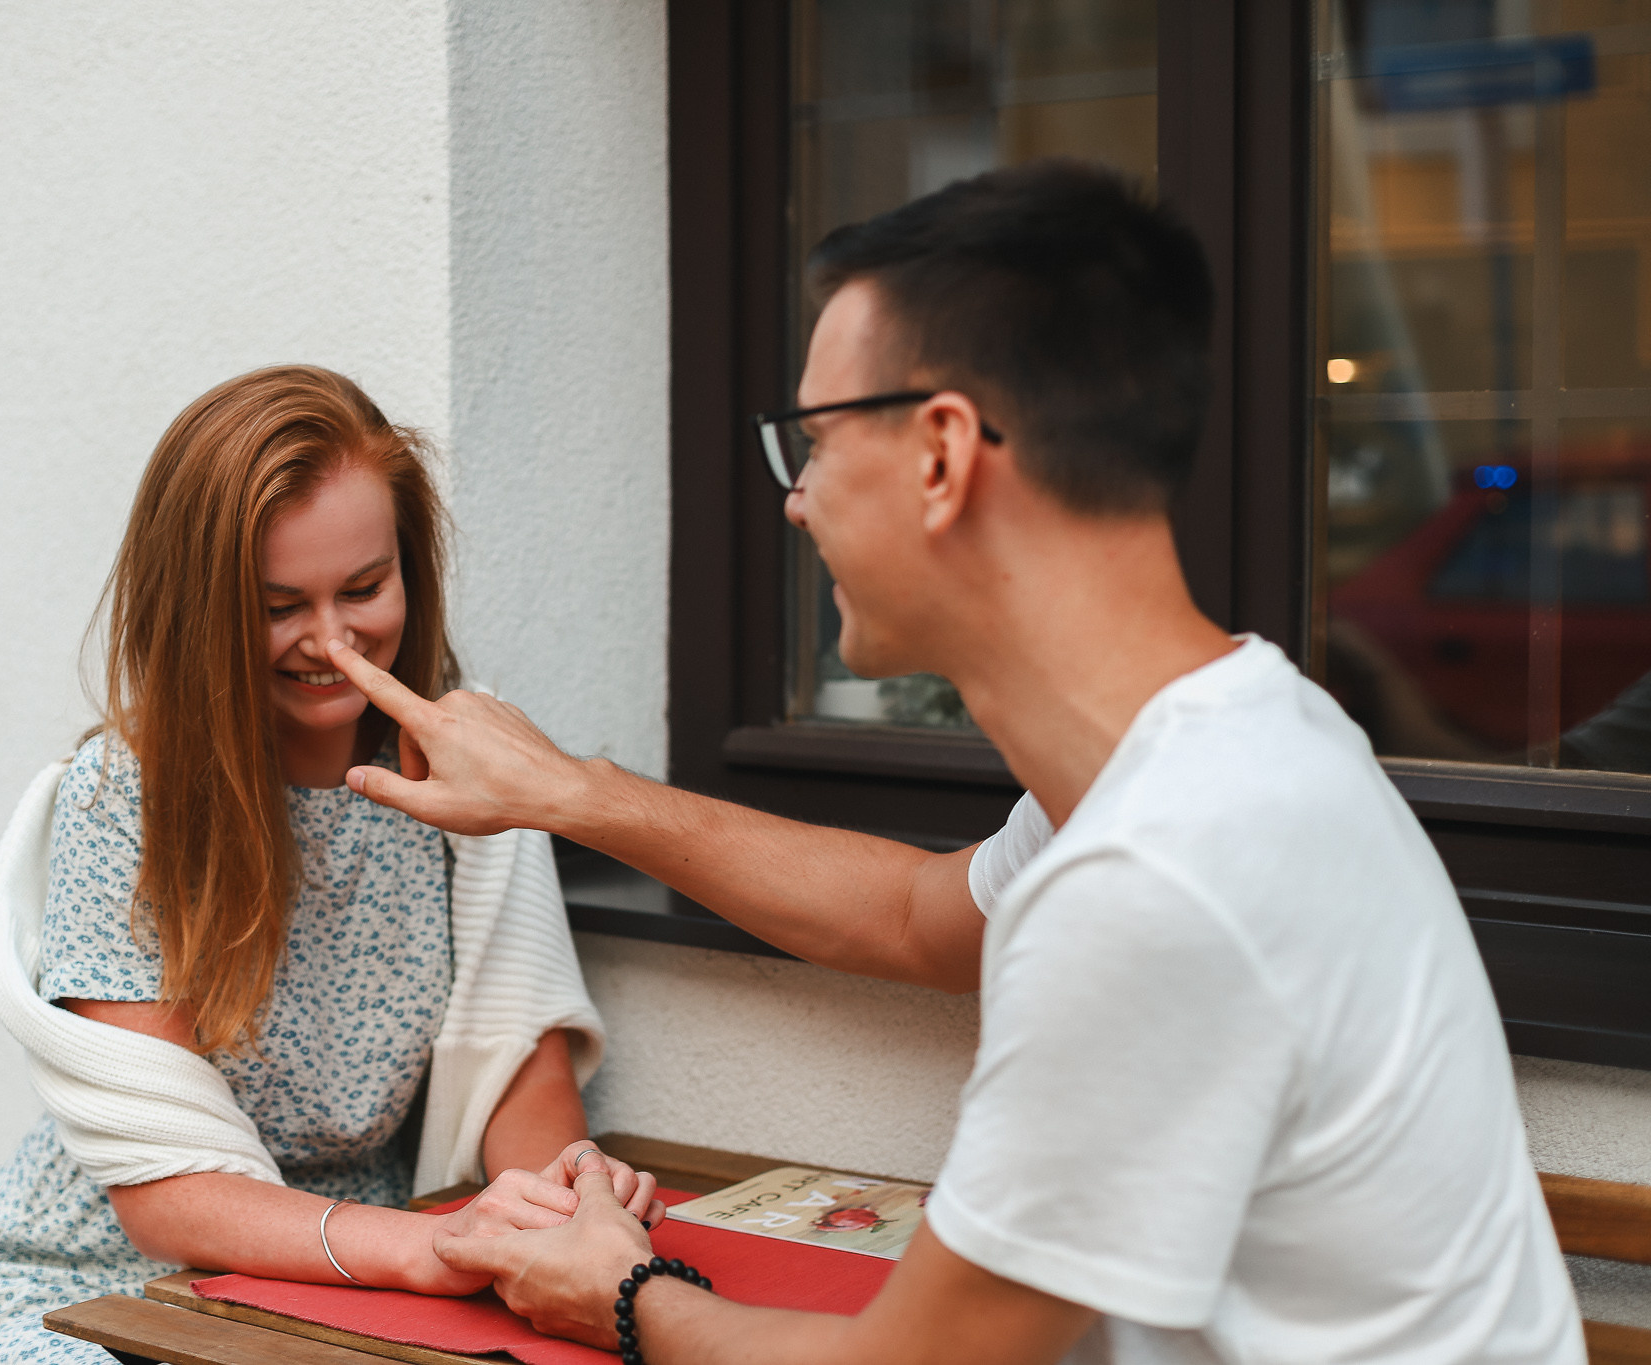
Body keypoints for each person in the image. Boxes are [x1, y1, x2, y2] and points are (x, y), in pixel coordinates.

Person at [320, 165, 1582, 1363]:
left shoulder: (1162, 875)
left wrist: (624, 1295)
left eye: (809, 441)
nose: (794, 499)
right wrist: (574, 796)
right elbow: (913, 915)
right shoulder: (1228, 741)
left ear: (938, 454)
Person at [0, 366, 660, 1363]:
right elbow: (171, 1196)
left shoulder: (462, 756)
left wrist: (565, 1203)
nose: (334, 641)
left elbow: (518, 1078)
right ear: (200, 608)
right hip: (103, 1277)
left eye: (363, 587)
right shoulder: (123, 794)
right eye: (278, 607)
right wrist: (433, 1246)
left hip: (364, 1266)